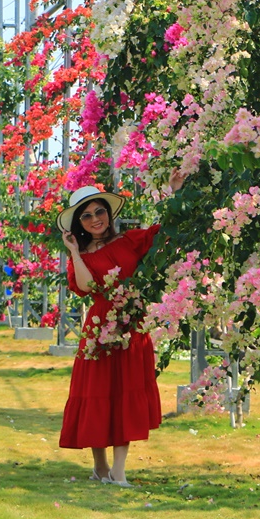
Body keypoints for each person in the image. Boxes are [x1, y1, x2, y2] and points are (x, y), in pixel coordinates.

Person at [55, 177, 182, 486]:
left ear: (108, 215)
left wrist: (175, 194)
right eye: (87, 216)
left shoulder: (129, 240)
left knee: (125, 394)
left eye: (100, 212)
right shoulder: (80, 256)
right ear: (79, 223)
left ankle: (119, 470)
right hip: (99, 327)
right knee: (97, 394)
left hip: (131, 325)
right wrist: (73, 251)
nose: (95, 219)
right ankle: (100, 466)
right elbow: (85, 287)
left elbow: (165, 234)